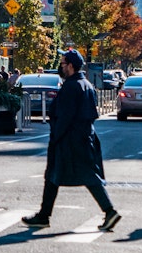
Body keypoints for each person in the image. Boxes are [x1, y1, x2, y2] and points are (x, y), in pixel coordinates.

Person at [22, 49, 121, 231]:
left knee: (87, 176)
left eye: (63, 64)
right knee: (54, 176)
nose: (61, 67)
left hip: (70, 140)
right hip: (83, 137)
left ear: (71, 66)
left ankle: (109, 211)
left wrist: (56, 137)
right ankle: (44, 215)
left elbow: (65, 116)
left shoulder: (72, 86)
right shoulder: (87, 85)